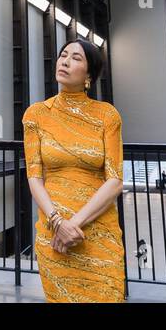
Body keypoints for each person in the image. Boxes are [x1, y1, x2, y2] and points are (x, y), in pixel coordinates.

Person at [21, 38, 125, 302]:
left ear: (89, 74)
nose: (65, 61)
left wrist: (73, 225)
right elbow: (34, 177)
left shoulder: (107, 115)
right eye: (63, 55)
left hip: (97, 232)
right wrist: (58, 223)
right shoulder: (36, 115)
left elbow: (115, 181)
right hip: (53, 232)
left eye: (76, 58)